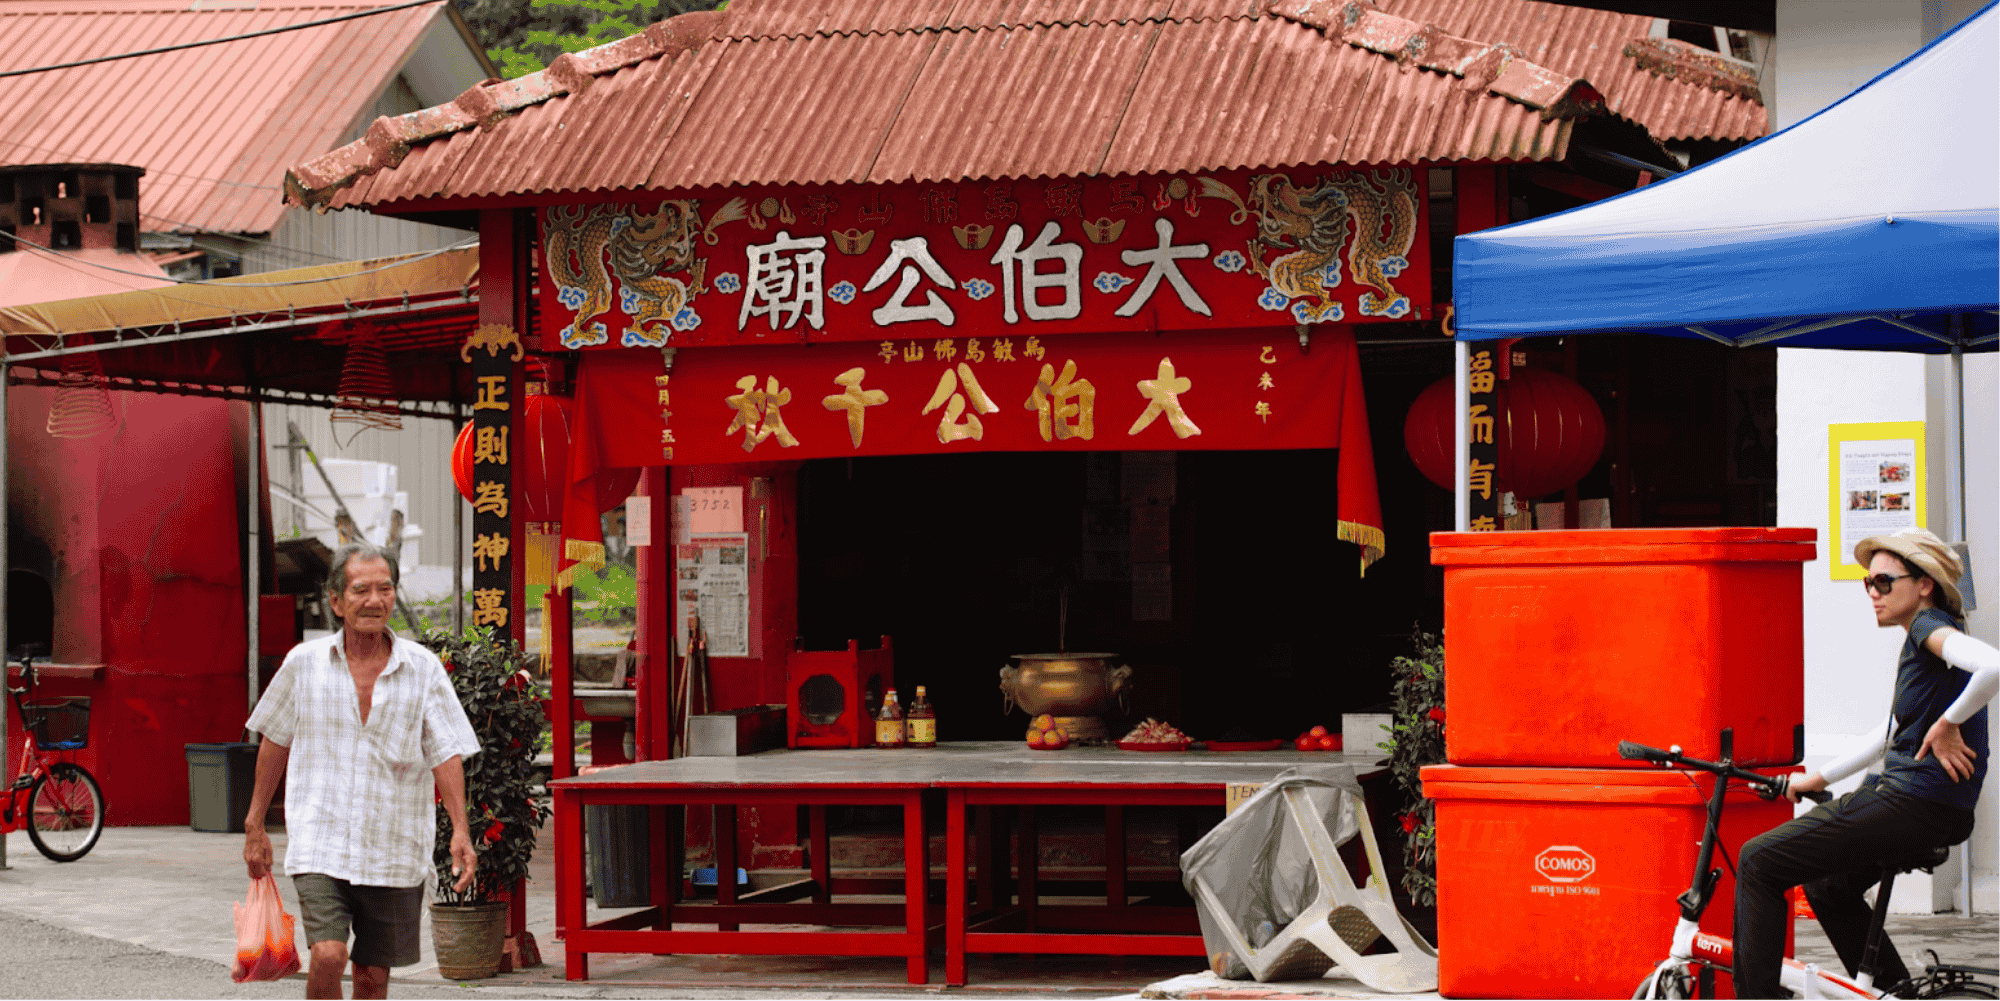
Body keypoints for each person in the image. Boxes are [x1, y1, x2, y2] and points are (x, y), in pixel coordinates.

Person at [1734, 528, 1998, 998]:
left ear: (1924, 584)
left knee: (1758, 861)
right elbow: (1889, 732)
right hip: (1931, 806)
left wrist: (1949, 723)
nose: (1872, 593)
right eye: (1867, 584)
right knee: (1827, 884)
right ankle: (1896, 993)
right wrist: (1817, 777)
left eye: (1883, 582)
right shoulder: (1925, 642)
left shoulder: (1928, 627)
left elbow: (1994, 666)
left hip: (1910, 800)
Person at [242, 542, 481, 1000]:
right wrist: (255, 823)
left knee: (373, 978)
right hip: (321, 839)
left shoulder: (423, 669)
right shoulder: (303, 664)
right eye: (360, 590)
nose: (375, 600)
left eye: (385, 589)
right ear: (336, 600)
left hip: (394, 846)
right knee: (329, 953)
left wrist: (460, 829)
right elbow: (274, 739)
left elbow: (445, 752)